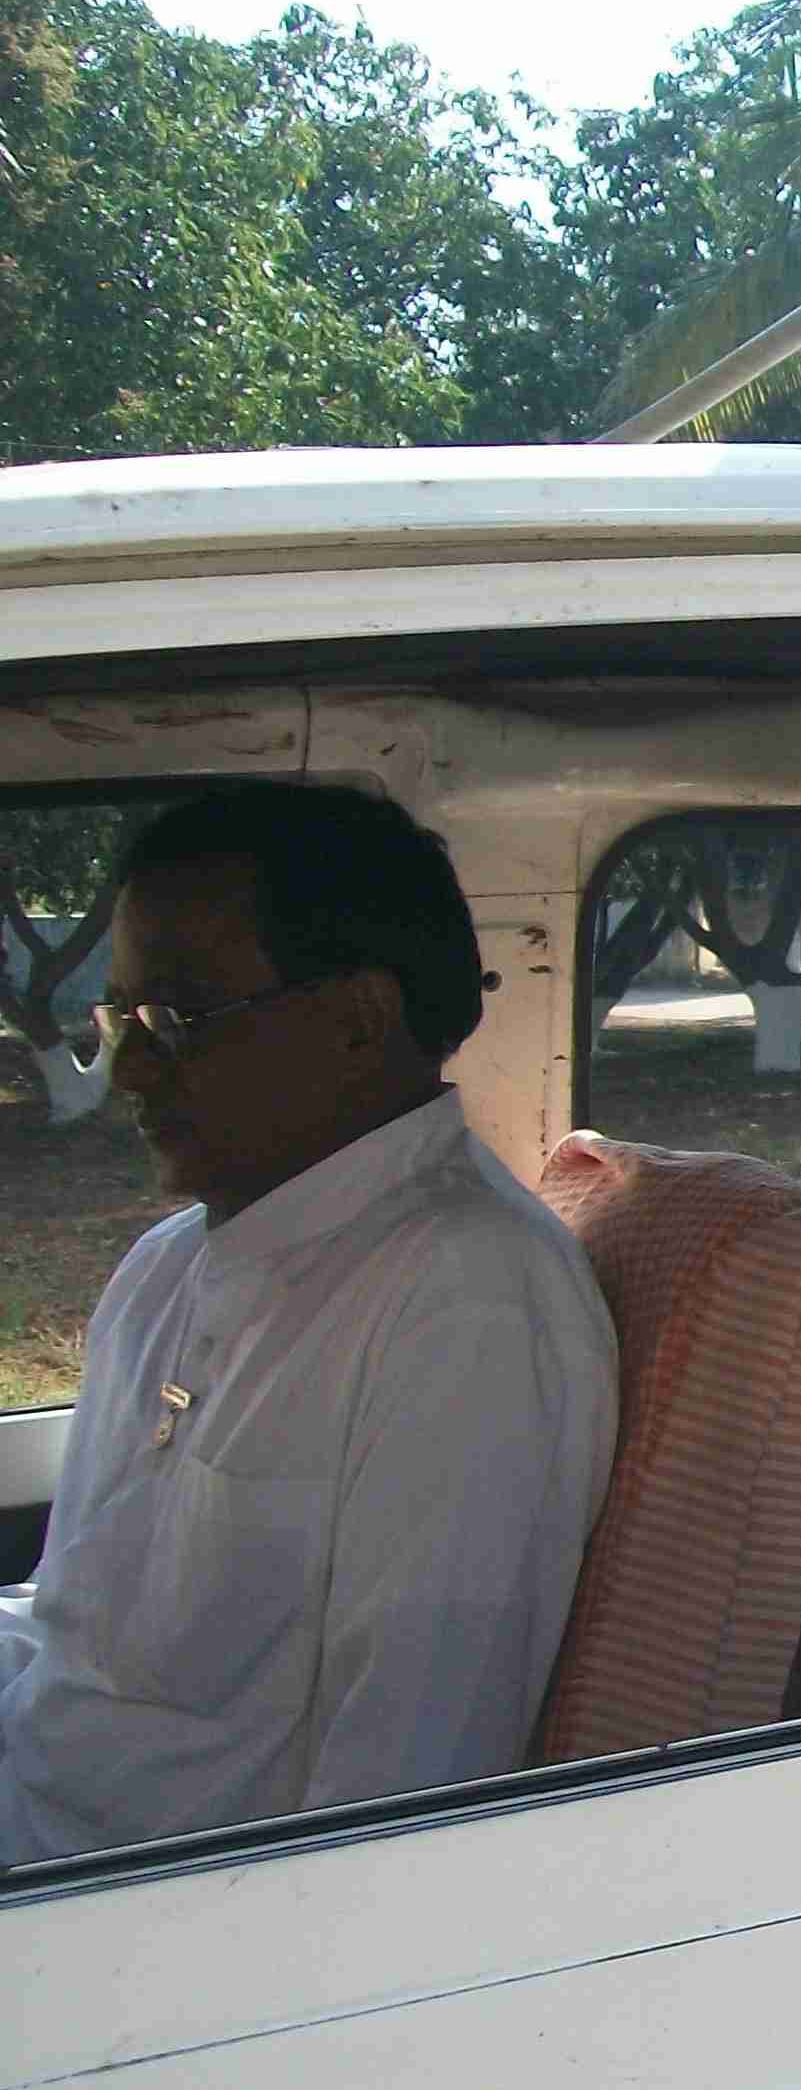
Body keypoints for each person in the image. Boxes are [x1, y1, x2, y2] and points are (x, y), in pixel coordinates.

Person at [0, 785, 617, 1865]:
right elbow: (77, 1638)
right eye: (120, 1019)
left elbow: (403, 1789)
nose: (131, 1071)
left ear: (358, 1018)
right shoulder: (166, 1268)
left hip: (127, 1903)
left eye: (176, 1020)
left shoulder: (466, 1300)